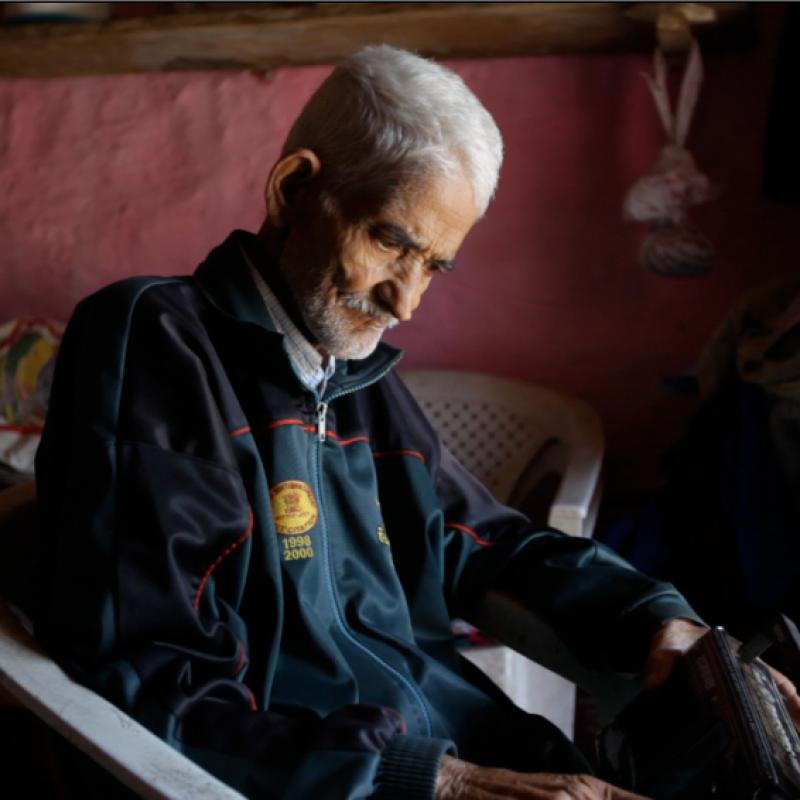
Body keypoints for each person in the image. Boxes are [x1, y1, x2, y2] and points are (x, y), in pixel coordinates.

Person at [31, 45, 799, 800]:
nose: (405, 301)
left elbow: (486, 541)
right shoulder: (157, 338)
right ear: (295, 189)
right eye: (390, 241)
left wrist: (654, 620)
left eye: (433, 265)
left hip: (466, 750)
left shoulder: (351, 375)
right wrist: (430, 780)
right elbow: (153, 674)